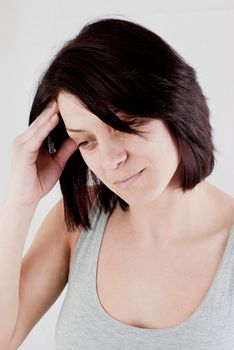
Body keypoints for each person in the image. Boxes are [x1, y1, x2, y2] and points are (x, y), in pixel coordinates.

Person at [0, 17, 234, 350]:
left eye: (123, 125)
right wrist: (20, 203)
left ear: (176, 109)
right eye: (86, 141)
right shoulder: (78, 221)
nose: (110, 160)